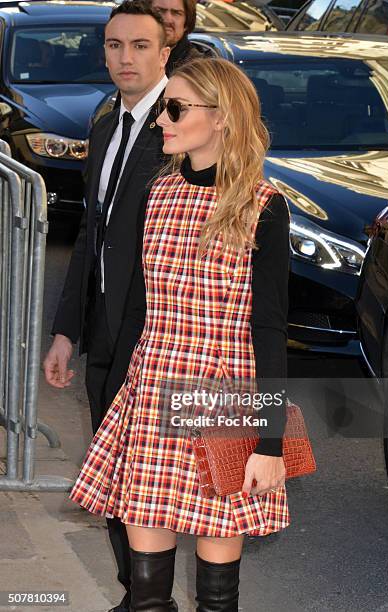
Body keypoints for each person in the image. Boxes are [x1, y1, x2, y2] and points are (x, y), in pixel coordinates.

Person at [69, 57, 290, 611]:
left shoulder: (262, 206)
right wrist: (118, 398)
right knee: (146, 594)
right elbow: (138, 312)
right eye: (164, 107)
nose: (161, 119)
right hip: (153, 385)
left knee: (217, 598)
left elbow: (268, 329)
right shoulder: (157, 193)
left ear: (220, 117)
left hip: (223, 394)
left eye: (175, 108)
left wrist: (270, 443)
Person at [43, 2, 171, 611]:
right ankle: (135, 596)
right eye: (115, 46)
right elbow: (92, 233)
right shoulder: (104, 123)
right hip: (103, 328)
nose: (126, 57)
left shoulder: (181, 125)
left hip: (159, 333)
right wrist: (66, 331)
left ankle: (152, 599)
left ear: (165, 51)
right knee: (117, 474)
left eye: (140, 46)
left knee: (158, 481)